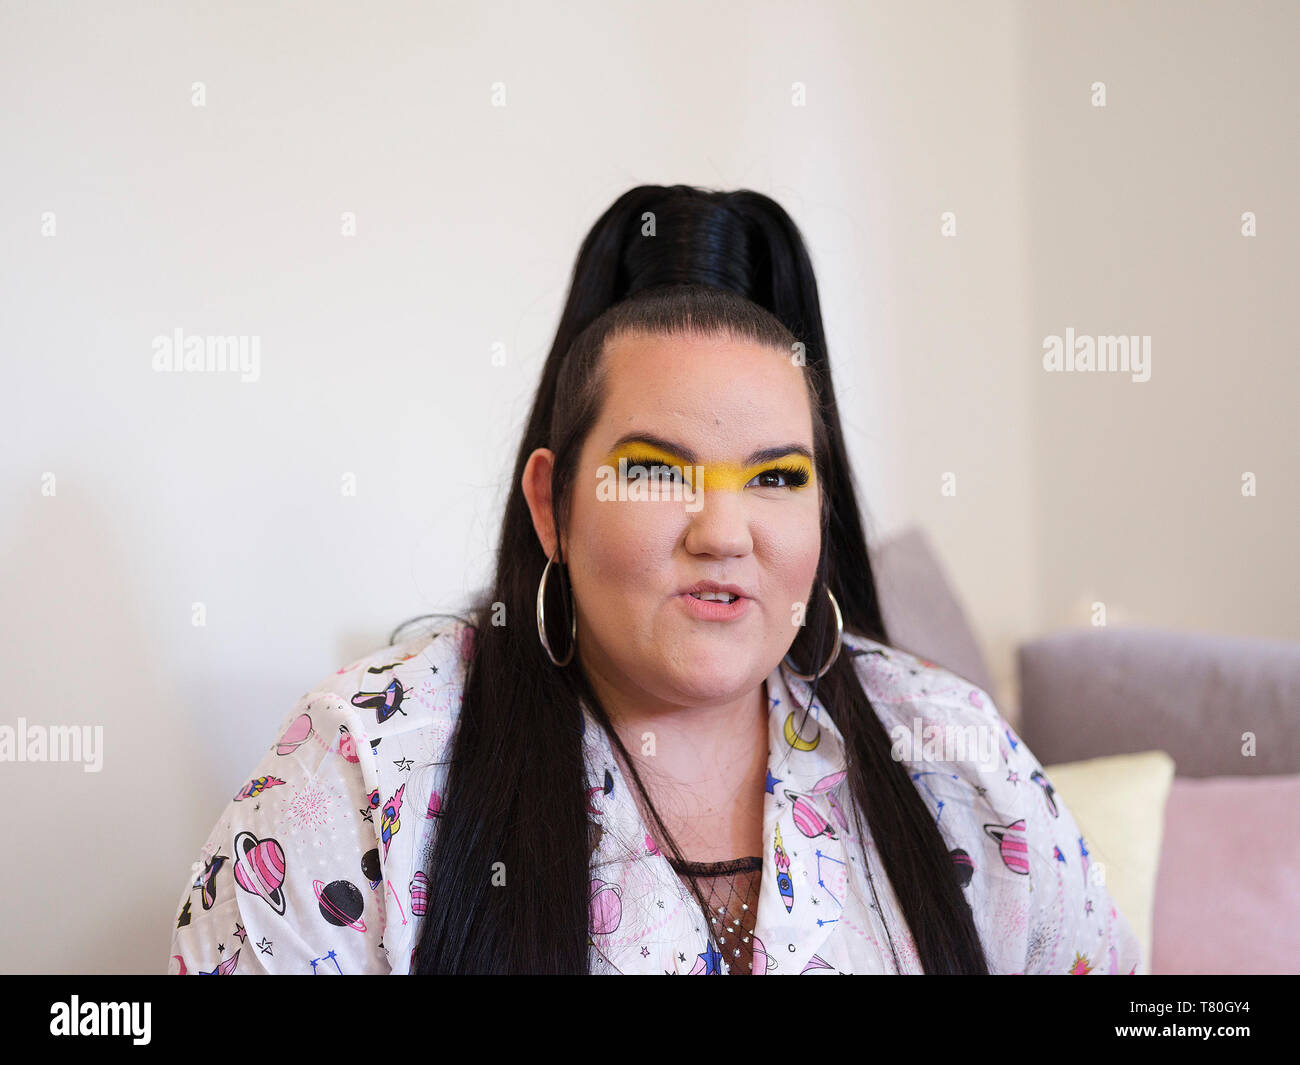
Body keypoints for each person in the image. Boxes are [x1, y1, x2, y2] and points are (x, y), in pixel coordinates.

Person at [167, 185, 1142, 975]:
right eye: (654, 469)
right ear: (553, 505)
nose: (724, 531)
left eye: (775, 477)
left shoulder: (958, 756)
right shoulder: (363, 769)